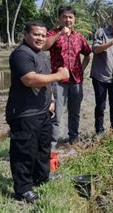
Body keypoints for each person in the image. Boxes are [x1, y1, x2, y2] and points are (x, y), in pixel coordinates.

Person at [5, 20, 69, 202]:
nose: (40, 38)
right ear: (25, 34)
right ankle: (23, 189)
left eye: (43, 35)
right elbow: (30, 80)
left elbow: (45, 81)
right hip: (24, 113)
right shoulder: (21, 54)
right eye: (36, 34)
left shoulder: (40, 54)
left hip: (42, 110)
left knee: (43, 148)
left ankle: (41, 178)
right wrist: (59, 75)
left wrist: (52, 101)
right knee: (24, 152)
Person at [44, 5, 91, 144]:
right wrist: (60, 34)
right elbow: (45, 46)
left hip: (76, 80)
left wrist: (81, 69)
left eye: (70, 17)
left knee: (74, 112)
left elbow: (88, 54)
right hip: (58, 80)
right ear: (59, 18)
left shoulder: (79, 37)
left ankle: (73, 139)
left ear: (74, 19)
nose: (67, 20)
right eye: (64, 17)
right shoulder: (52, 34)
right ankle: (52, 142)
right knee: (56, 114)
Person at [90, 9, 113, 135]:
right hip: (101, 75)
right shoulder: (102, 33)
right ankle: (99, 131)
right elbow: (95, 50)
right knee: (100, 105)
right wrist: (112, 42)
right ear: (111, 20)